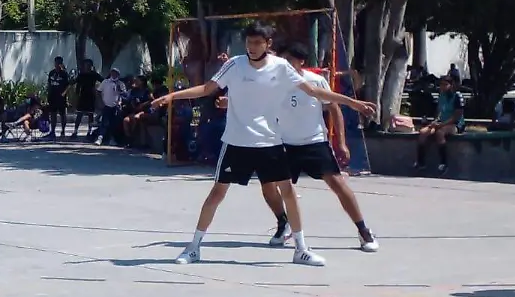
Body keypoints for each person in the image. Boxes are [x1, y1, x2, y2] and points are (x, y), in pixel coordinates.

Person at [152, 24, 377, 266]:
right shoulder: (235, 65)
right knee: (217, 193)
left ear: (268, 44)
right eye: (249, 42)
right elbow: (208, 88)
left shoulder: (281, 67)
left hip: (270, 141)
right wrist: (173, 96)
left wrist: (352, 102)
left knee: (288, 192)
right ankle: (193, 248)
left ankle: (302, 249)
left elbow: (313, 91)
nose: (252, 47)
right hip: (236, 142)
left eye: (258, 42)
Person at [260, 42, 379, 252]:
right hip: (284, 143)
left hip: (314, 142)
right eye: (282, 60)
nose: (284, 64)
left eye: (289, 60)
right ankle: (283, 223)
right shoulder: (273, 83)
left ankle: (363, 230)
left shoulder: (314, 81)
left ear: (301, 62)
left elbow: (334, 109)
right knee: (268, 184)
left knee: (338, 184)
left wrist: (341, 142)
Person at [414, 75, 464, 174]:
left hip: (454, 124)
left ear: (451, 85)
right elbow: (439, 112)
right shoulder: (441, 96)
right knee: (423, 133)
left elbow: (456, 117)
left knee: (440, 133)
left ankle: (443, 163)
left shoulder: (457, 96)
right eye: (441, 85)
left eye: (445, 85)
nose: (442, 87)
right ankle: (421, 162)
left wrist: (441, 125)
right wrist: (434, 121)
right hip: (441, 122)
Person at [71, 59, 102, 138]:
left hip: (91, 96)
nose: (87, 66)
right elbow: (76, 84)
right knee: (79, 114)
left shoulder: (94, 74)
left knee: (90, 115)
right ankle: (75, 131)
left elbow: (103, 80)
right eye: (86, 65)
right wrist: (76, 96)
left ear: (91, 66)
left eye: (88, 65)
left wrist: (98, 90)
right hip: (82, 96)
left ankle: (89, 132)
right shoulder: (81, 75)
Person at [46, 56, 71, 139]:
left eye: (59, 63)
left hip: (61, 97)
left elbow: (68, 85)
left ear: (61, 63)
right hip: (52, 96)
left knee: (62, 114)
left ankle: (63, 131)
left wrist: (64, 94)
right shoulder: (51, 73)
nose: (57, 64)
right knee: (53, 114)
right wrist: (48, 95)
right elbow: (49, 84)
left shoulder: (64, 74)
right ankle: (52, 131)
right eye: (56, 63)